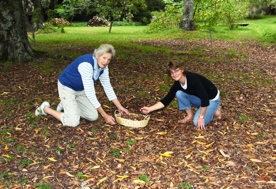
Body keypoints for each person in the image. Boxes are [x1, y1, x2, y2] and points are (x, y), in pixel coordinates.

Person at [35, 44, 129, 127]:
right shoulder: (86, 65)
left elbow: (108, 87)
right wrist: (105, 115)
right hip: (67, 87)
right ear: (97, 55)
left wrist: (120, 107)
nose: (106, 61)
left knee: (92, 116)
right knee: (72, 122)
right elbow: (90, 94)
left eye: (109, 59)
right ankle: (45, 109)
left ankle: (68, 104)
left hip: (80, 89)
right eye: (104, 58)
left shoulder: (104, 67)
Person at [140, 61, 221, 130]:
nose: (174, 74)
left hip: (212, 99)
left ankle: (213, 111)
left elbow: (205, 99)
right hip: (201, 99)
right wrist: (150, 109)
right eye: (171, 72)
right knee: (179, 93)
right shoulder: (177, 84)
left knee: (197, 122)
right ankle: (190, 115)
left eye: (176, 71)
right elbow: (166, 100)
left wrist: (201, 117)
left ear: (182, 70)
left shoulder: (193, 79)